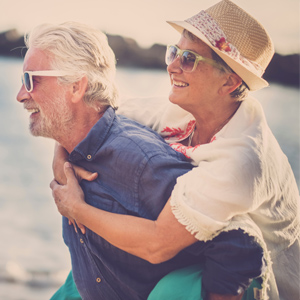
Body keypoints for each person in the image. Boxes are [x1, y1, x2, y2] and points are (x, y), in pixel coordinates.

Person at [51, 1, 300, 300]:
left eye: (190, 58)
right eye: (175, 51)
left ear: (230, 81)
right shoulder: (183, 110)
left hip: (252, 284)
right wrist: (62, 160)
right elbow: (91, 117)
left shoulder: (241, 161)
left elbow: (158, 244)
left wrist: (75, 208)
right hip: (197, 248)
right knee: (79, 282)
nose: (172, 65)